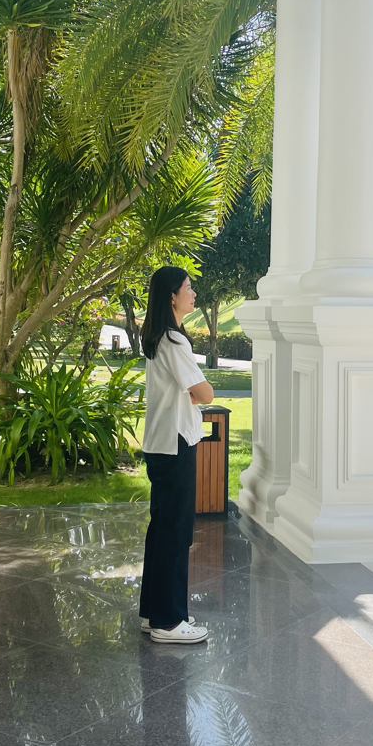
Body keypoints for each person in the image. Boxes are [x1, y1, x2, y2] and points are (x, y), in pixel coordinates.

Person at [138, 266, 213, 643]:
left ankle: (155, 611)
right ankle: (168, 622)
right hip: (176, 442)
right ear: (172, 295)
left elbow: (189, 391)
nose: (193, 293)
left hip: (161, 443)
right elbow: (205, 393)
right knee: (176, 530)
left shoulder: (158, 338)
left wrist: (194, 392)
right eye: (188, 287)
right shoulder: (174, 341)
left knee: (162, 528)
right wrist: (200, 391)